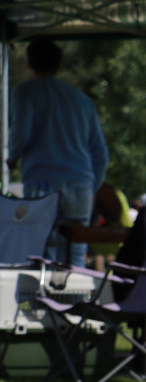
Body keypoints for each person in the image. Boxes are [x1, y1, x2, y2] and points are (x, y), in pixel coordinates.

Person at [7, 37, 109, 268]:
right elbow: (101, 155)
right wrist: (91, 186)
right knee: (75, 254)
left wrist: (12, 159)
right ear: (59, 64)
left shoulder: (25, 91)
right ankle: (74, 302)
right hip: (81, 186)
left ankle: (46, 303)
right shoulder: (82, 100)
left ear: (29, 63)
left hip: (43, 181)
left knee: (44, 251)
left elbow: (20, 131)